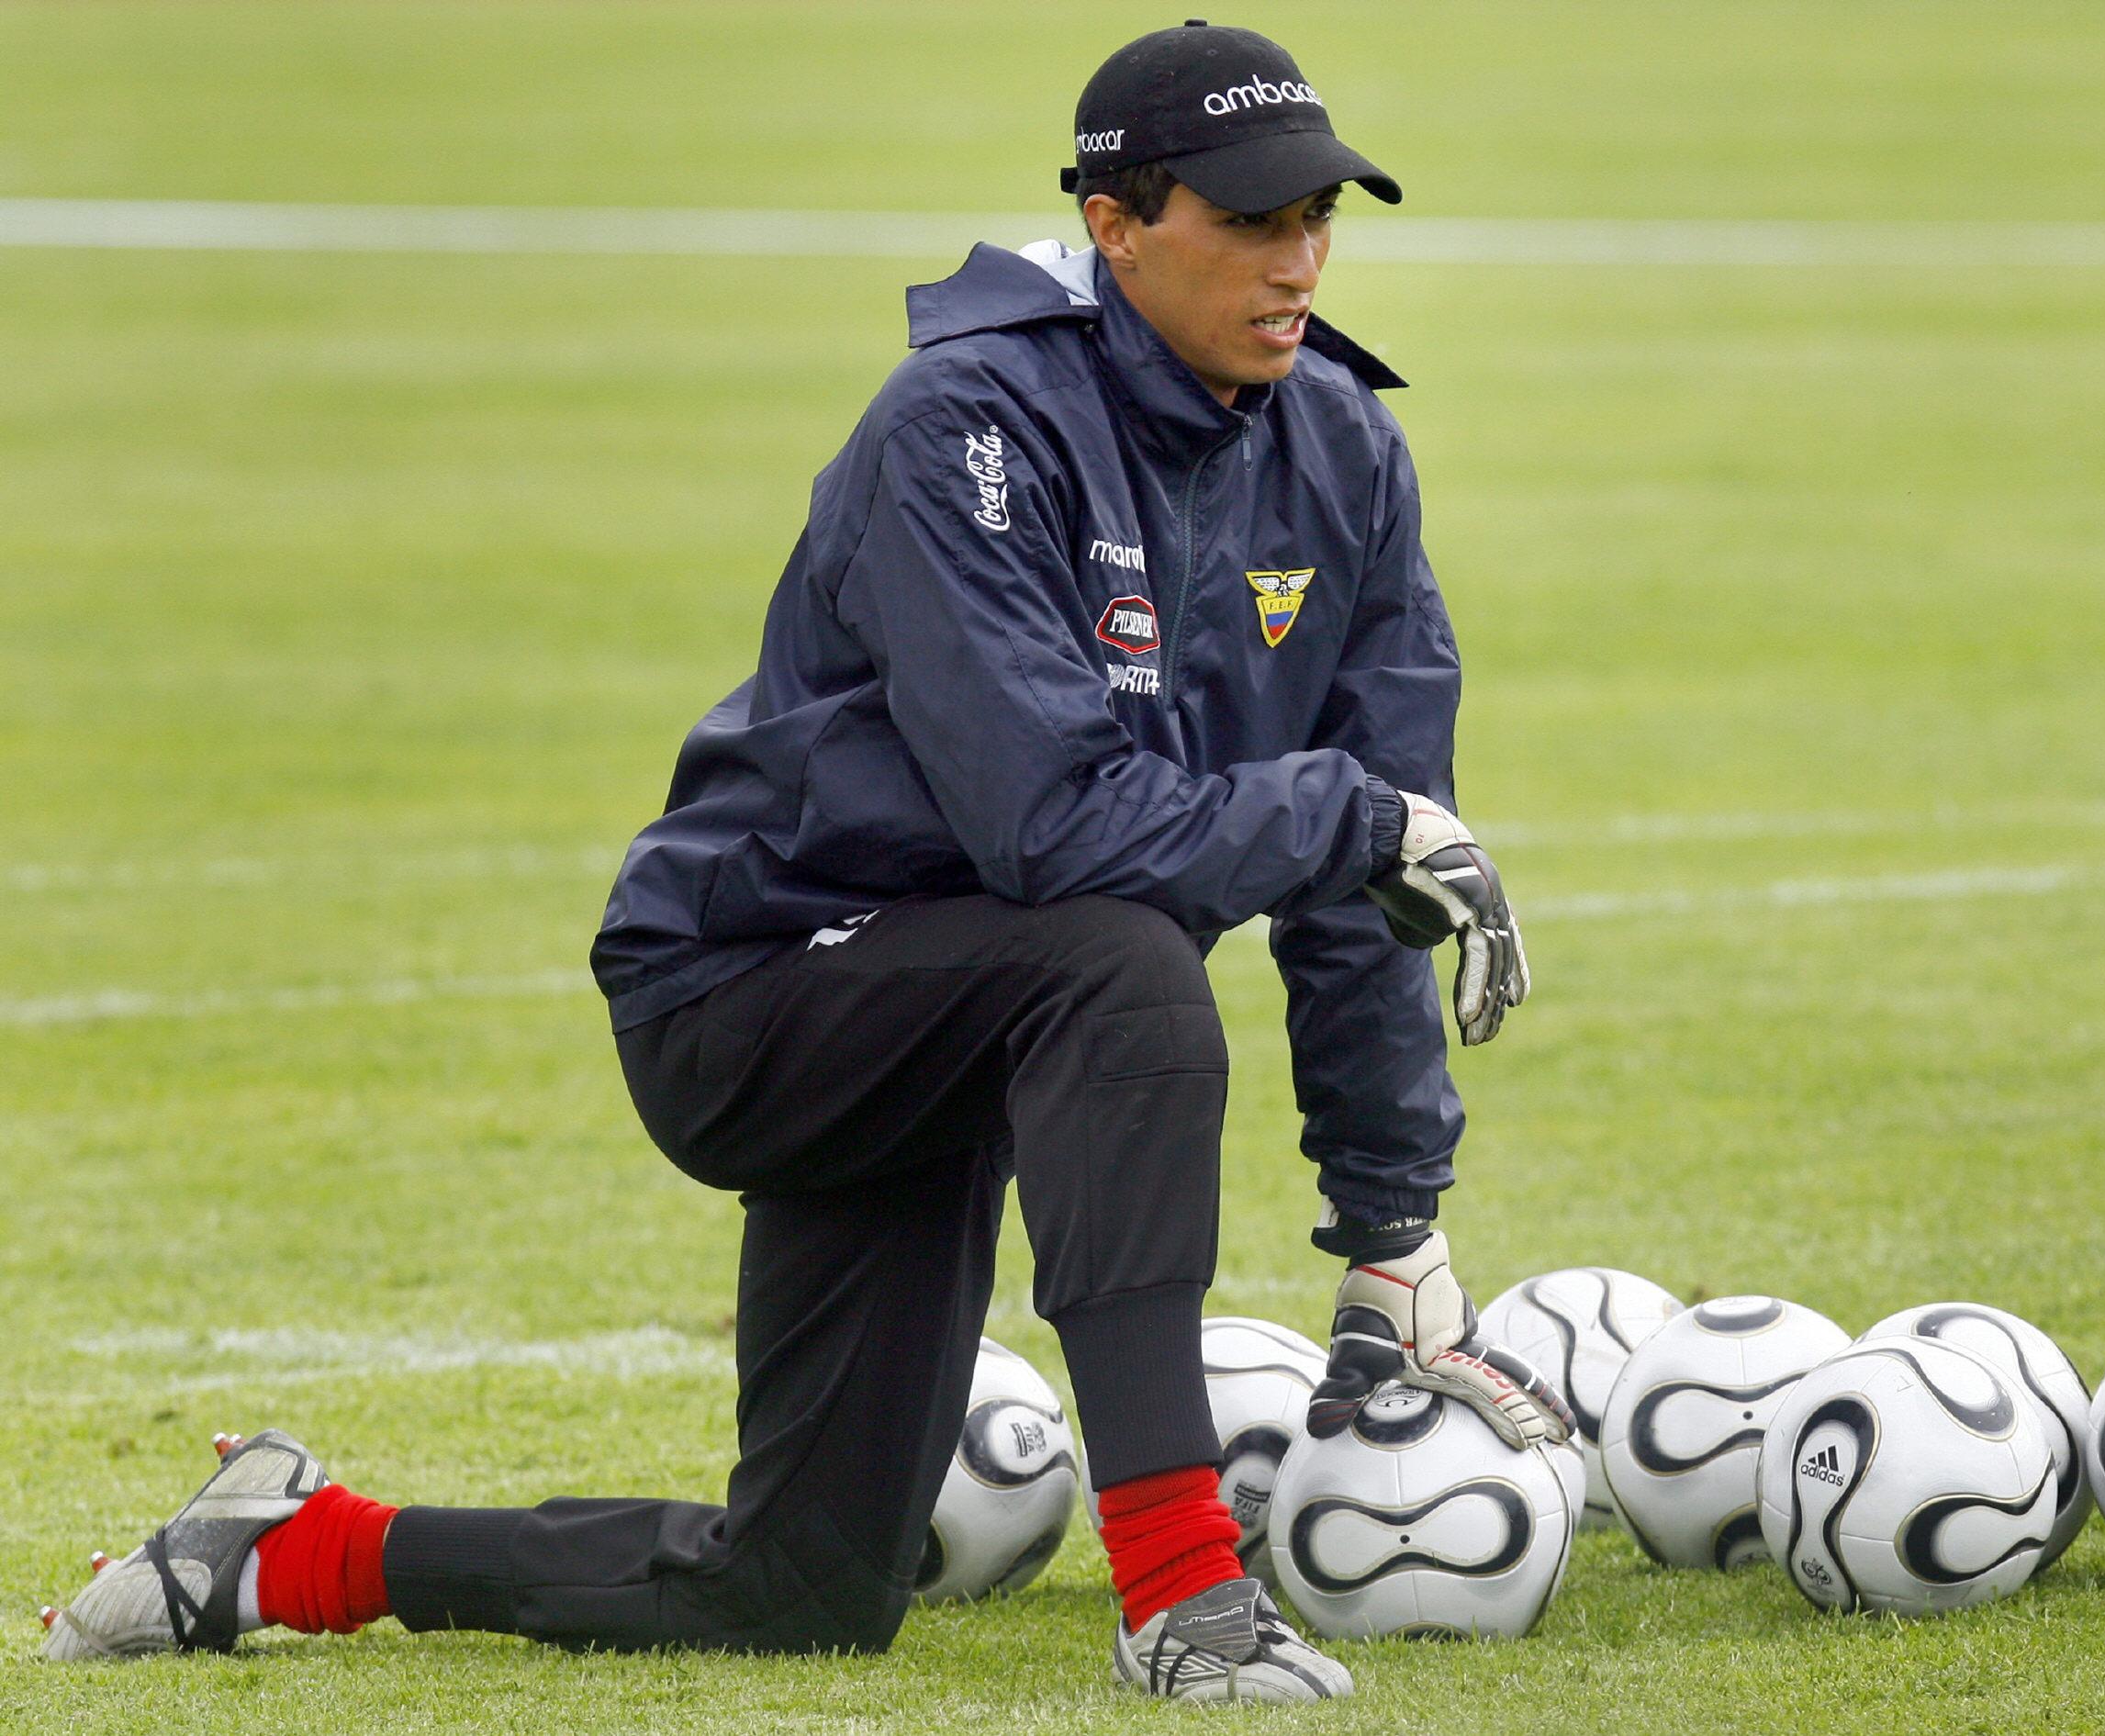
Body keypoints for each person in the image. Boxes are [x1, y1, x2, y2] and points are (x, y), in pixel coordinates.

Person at [39, 18, 1564, 1705]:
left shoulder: (1343, 452)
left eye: (1318, 221)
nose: (1299, 261)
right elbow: (1054, 823)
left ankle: (285, 1548)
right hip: (754, 986)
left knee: (796, 1593)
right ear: (1119, 223)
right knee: (1122, 958)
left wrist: (1392, 1224)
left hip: (981, 1009)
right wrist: (1358, 826)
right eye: (1251, 221)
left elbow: (1385, 870)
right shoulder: (967, 427)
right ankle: (1189, 1600)